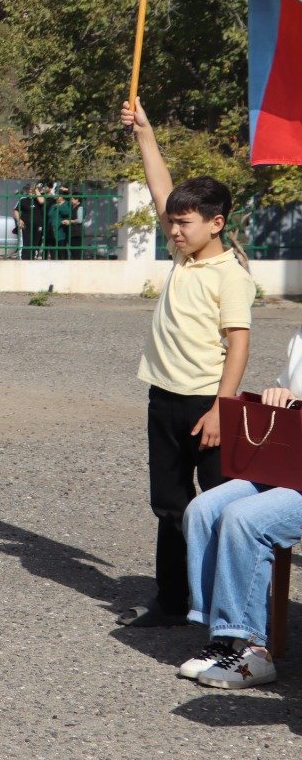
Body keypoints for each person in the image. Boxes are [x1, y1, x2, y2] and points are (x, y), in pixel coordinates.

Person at [117, 97, 254, 628]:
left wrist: (222, 410)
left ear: (215, 223)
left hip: (208, 406)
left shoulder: (230, 275)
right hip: (165, 400)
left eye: (184, 224)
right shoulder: (184, 257)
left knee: (220, 507)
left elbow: (238, 344)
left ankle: (226, 605)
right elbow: (159, 188)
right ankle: (172, 601)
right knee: (170, 506)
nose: (173, 231)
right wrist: (146, 133)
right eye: (171, 223)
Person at [175, 376, 302, 689]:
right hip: (288, 464)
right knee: (202, 510)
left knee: (243, 519)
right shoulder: (298, 340)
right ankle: (224, 638)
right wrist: (281, 394)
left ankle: (254, 651)